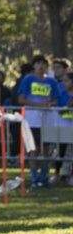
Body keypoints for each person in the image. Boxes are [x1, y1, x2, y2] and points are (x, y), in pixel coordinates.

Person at [14, 55, 68, 187]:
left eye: (43, 63)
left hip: (48, 121)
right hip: (31, 121)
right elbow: (21, 99)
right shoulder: (28, 79)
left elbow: (56, 99)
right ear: (34, 66)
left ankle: (44, 177)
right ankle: (34, 177)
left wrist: (50, 103)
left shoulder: (52, 82)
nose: (41, 66)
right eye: (38, 63)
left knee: (46, 150)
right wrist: (38, 105)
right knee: (33, 150)